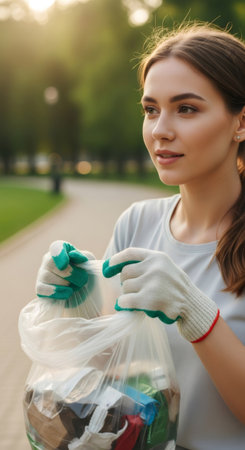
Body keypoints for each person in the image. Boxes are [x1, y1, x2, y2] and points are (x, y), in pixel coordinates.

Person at [36, 23, 245, 449]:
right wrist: (79, 305)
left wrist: (196, 315)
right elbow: (113, 369)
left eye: (186, 109)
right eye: (151, 109)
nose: (160, 130)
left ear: (241, 123)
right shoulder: (137, 223)